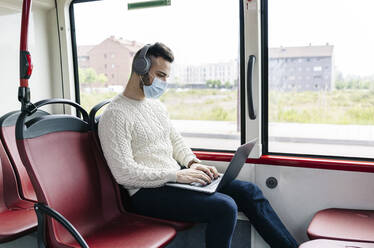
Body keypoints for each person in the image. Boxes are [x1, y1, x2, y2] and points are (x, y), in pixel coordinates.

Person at [98, 42, 298, 248]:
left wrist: (192, 162)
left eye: (166, 76)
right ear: (141, 69)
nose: (164, 82)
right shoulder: (115, 115)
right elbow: (124, 173)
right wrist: (176, 175)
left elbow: (176, 142)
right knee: (225, 207)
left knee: (249, 191)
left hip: (173, 180)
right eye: (160, 75)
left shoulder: (156, 107)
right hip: (145, 193)